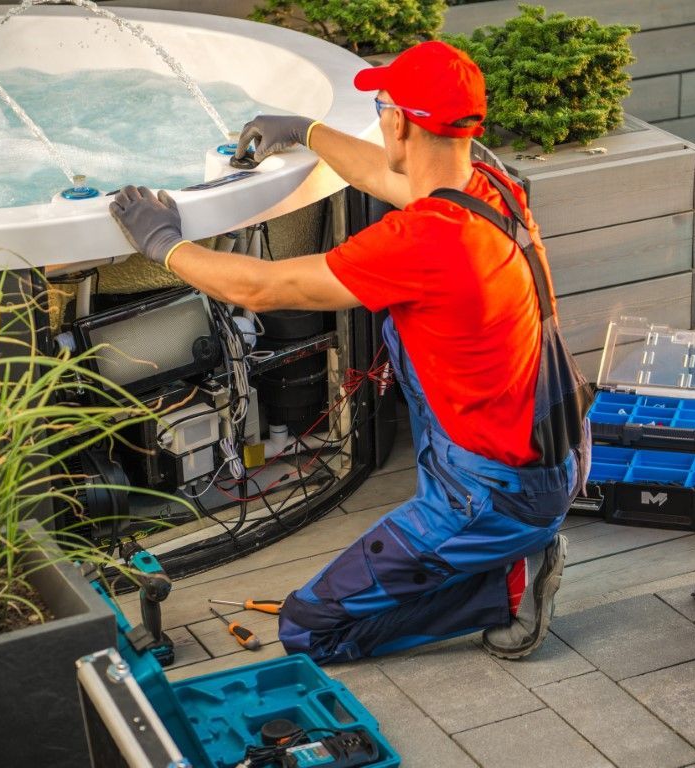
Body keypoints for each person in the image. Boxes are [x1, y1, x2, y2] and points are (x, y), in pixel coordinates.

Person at [109, 41, 591, 664]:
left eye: (384, 105)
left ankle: (507, 587)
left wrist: (163, 245)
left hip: (494, 489)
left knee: (309, 630)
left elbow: (260, 287)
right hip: (550, 445)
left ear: (396, 123)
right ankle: (507, 547)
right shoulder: (489, 186)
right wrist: (304, 131)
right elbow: (384, 175)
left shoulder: (423, 242)